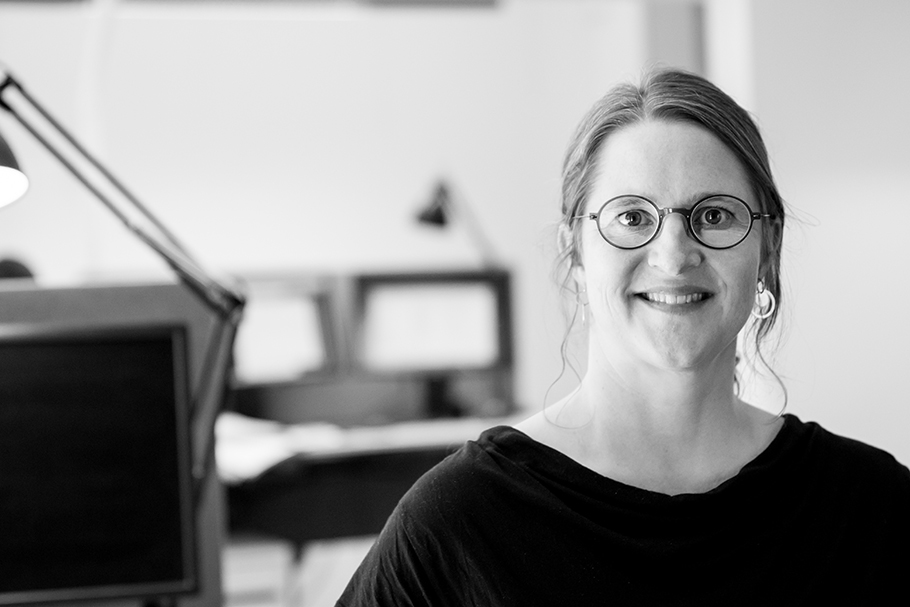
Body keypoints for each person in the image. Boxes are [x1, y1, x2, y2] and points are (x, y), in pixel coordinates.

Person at [336, 68, 910, 606]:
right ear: (575, 252)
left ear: (768, 249)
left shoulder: (871, 505)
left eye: (713, 216)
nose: (674, 255)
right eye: (632, 217)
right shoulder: (460, 519)